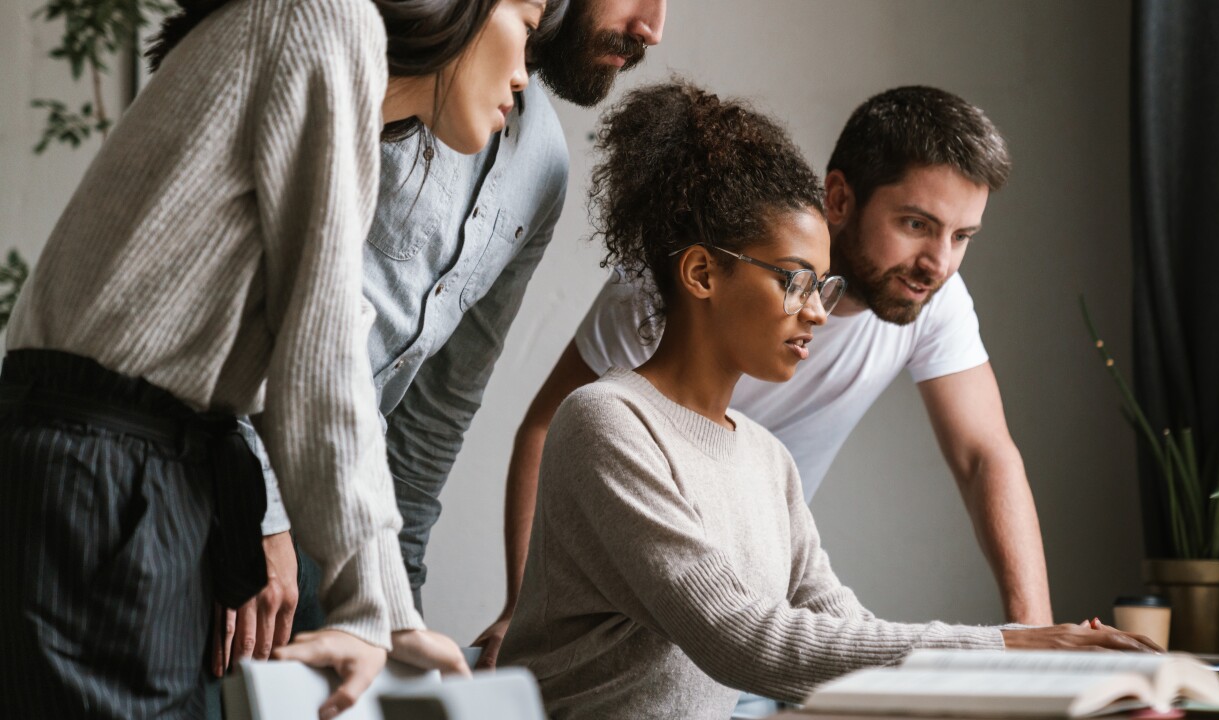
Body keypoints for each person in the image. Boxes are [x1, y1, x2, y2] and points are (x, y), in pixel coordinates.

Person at [499, 80, 1160, 720]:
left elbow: (846, 630)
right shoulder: (607, 421)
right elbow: (742, 637)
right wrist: (1007, 645)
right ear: (701, 274)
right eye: (795, 282)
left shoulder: (766, 459)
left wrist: (1026, 660)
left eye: (823, 285)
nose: (818, 311)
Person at [0, 0, 552, 717]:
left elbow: (326, 355)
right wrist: (369, 610)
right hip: (106, 477)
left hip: (109, 470)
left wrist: (386, 610)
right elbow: (318, 359)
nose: (524, 78)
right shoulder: (326, 19)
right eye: (529, 26)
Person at [229, 0, 668, 674]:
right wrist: (258, 518)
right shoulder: (371, 64)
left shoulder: (542, 161)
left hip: (342, 529)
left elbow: (437, 410)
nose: (653, 27)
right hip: (221, 486)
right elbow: (248, 299)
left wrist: (397, 607)